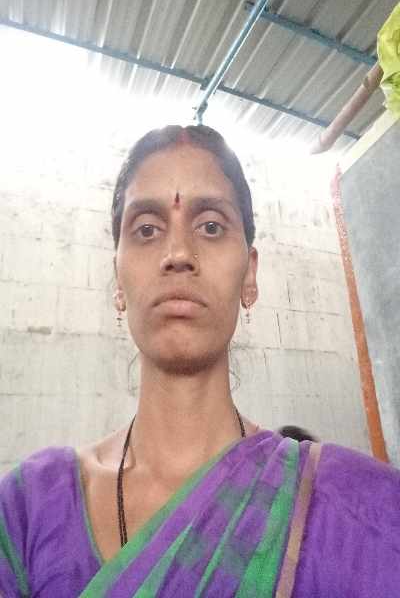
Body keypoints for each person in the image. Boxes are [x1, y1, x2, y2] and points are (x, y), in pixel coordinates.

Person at [0, 125, 399, 597]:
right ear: (118, 280)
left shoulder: (361, 511)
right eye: (147, 230)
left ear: (250, 275)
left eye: (210, 226)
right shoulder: (29, 512)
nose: (178, 254)